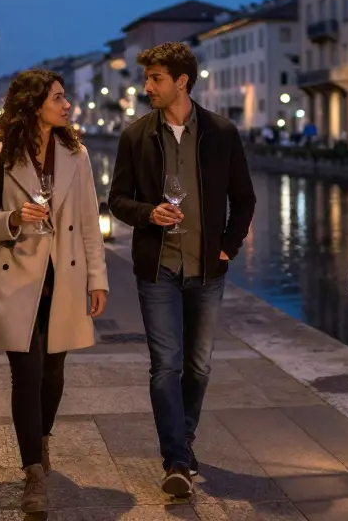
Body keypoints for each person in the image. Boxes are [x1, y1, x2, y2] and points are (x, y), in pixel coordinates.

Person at [108, 42, 256, 498]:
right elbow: (117, 200)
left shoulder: (221, 132)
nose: (146, 86)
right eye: (147, 78)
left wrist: (228, 248)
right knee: (165, 364)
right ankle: (175, 457)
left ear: (181, 82)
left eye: (155, 78)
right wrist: (149, 213)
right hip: (158, 269)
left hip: (208, 269)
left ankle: (184, 440)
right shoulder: (135, 135)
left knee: (199, 365)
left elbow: (244, 198)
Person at [0, 70, 110, 514]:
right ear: (34, 105)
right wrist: (11, 219)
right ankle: (33, 471)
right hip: (15, 277)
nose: (67, 106)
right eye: (59, 98)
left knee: (53, 373)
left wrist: (97, 279)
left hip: (63, 278)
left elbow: (88, 223)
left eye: (65, 98)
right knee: (25, 374)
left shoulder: (77, 155)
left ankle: (42, 441)